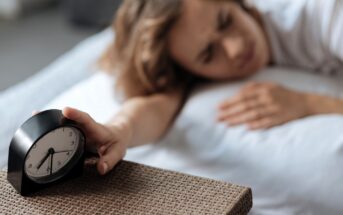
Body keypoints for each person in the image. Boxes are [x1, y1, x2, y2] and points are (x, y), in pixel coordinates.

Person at [60, 0, 343, 175]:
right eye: (208, 54)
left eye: (225, 20)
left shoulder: (325, 12)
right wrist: (117, 131)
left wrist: (309, 104)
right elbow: (157, 106)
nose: (235, 47)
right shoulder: (188, 70)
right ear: (188, 70)